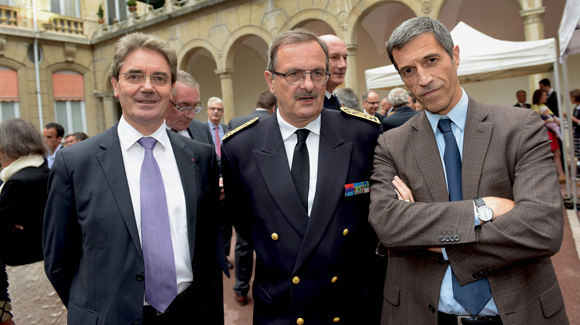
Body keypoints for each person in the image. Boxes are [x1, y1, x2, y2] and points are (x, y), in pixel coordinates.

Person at [369, 16, 567, 325]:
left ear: (455, 56)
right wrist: (481, 209)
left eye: (431, 60)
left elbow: (542, 229)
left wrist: (427, 235)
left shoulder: (520, 127)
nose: (423, 79)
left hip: (519, 312)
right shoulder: (391, 144)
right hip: (421, 313)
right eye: (409, 70)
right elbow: (388, 226)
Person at [43, 32, 227, 324]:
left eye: (159, 78)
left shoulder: (200, 157)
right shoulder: (75, 162)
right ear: (116, 85)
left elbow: (206, 246)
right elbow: (58, 261)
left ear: (171, 88)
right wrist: (93, 312)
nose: (147, 87)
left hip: (188, 314)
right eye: (134, 76)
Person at [221, 29, 386, 324]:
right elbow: (245, 222)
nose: (308, 85)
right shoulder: (240, 147)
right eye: (294, 74)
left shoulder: (363, 134)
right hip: (281, 310)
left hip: (349, 307)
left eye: (317, 73)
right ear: (271, 80)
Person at [0, 119, 61, 324]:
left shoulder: (17, 181)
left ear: (7, 147)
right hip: (52, 265)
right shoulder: (45, 171)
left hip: (27, 270)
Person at [226, 90, 277, 306]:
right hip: (273, 198)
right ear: (273, 107)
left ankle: (240, 289)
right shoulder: (276, 122)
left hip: (244, 195)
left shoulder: (236, 122)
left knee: (243, 244)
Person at [165, 70, 213, 144]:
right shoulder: (148, 132)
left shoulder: (202, 130)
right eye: (183, 107)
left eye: (195, 107)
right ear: (164, 100)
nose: (191, 116)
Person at [531, 89, 566, 183]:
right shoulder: (534, 107)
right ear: (539, 97)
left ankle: (561, 175)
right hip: (546, 133)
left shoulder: (544, 106)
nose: (546, 97)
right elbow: (538, 120)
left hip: (551, 132)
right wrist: (552, 120)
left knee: (557, 153)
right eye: (544, 95)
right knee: (552, 155)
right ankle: (557, 176)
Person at [319, 35, 348, 110]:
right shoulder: (314, 105)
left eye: (345, 58)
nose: (343, 65)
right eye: (334, 57)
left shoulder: (334, 100)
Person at [563, 89, 580, 162]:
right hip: (576, 134)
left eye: (571, 97)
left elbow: (577, 121)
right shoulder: (575, 109)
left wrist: (573, 118)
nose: (570, 99)